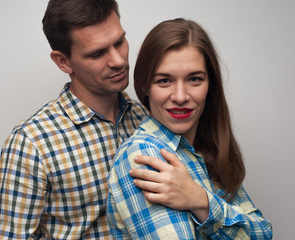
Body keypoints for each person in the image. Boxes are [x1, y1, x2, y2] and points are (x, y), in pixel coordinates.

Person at [0, 0, 148, 239]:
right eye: (97, 53)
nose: (118, 60)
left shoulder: (147, 118)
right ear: (64, 61)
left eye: (119, 42)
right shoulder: (31, 143)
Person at [106, 18, 273, 239]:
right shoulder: (143, 156)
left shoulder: (208, 150)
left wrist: (201, 201)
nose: (181, 96)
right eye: (164, 81)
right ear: (145, 86)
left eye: (194, 79)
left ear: (210, 85)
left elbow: (263, 232)